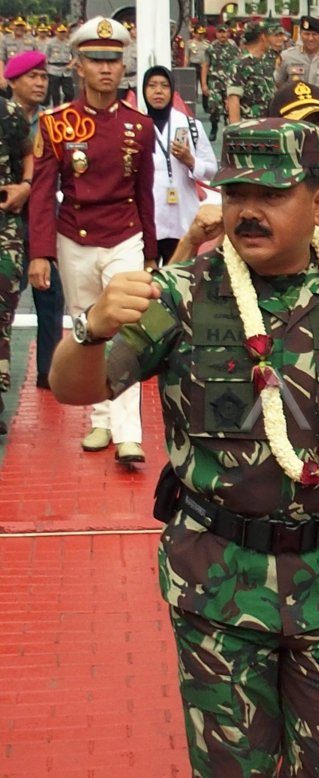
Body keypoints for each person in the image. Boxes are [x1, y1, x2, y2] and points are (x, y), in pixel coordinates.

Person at [48, 117, 319, 778]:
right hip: (217, 584)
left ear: (318, 203)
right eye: (236, 191)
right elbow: (77, 388)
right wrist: (90, 328)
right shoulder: (181, 294)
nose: (248, 210)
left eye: (272, 193)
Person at [27, 17, 156, 464]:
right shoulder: (56, 124)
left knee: (126, 324)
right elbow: (43, 193)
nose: (106, 68)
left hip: (124, 233)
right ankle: (100, 420)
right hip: (75, 236)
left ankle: (129, 432)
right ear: (78, 66)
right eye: (96, 60)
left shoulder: (139, 127)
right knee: (87, 326)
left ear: (124, 67)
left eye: (114, 60)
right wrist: (40, 253)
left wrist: (152, 254)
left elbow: (145, 195)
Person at [5, 49, 61, 391]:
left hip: (45, 221)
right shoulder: (3, 118)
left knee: (52, 297)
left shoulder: (54, 123)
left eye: (43, 77)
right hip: (7, 221)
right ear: (13, 82)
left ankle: (50, 371)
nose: (40, 83)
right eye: (32, 77)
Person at [141, 66, 216, 265]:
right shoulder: (136, 126)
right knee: (150, 281)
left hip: (183, 217)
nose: (158, 91)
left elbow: (213, 170)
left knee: (182, 280)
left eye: (164, 86)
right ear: (144, 90)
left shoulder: (191, 126)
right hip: (149, 218)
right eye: (152, 86)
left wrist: (191, 161)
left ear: (172, 91)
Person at [0, 91, 30, 434]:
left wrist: (25, 185)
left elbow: (27, 154)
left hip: (4, 227)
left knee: (1, 310)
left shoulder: (8, 111)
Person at [276, 16, 319, 109]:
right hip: (294, 109)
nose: (310, 38)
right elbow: (278, 84)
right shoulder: (287, 57)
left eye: (314, 34)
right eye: (307, 34)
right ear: (300, 34)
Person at [227, 23, 277, 124]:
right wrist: (235, 130)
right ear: (263, 37)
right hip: (249, 127)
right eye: (270, 36)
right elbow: (233, 99)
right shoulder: (240, 64)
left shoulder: (266, 62)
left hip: (268, 123)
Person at [201, 24, 238, 137]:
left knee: (229, 108)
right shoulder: (211, 48)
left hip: (229, 83)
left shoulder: (234, 49)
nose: (222, 35)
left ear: (228, 33)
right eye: (220, 32)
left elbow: (238, 66)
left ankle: (228, 131)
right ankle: (214, 126)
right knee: (214, 107)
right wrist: (204, 84)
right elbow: (205, 66)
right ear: (216, 34)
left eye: (224, 32)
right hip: (215, 82)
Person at [44, 24, 73, 105]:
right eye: (60, 32)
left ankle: (65, 106)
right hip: (53, 69)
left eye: (64, 32)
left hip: (66, 69)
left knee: (69, 93)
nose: (62, 34)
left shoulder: (69, 43)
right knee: (55, 94)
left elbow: (76, 56)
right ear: (56, 32)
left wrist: (71, 64)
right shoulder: (50, 43)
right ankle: (56, 109)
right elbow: (45, 56)